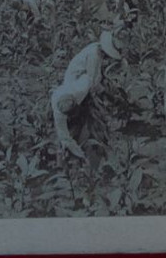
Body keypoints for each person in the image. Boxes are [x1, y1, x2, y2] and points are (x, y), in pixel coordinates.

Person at [50, 29, 127, 161]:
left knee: (87, 113)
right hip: (74, 77)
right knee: (69, 132)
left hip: (77, 80)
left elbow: (93, 81)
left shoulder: (81, 88)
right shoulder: (59, 114)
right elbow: (65, 138)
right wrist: (81, 155)